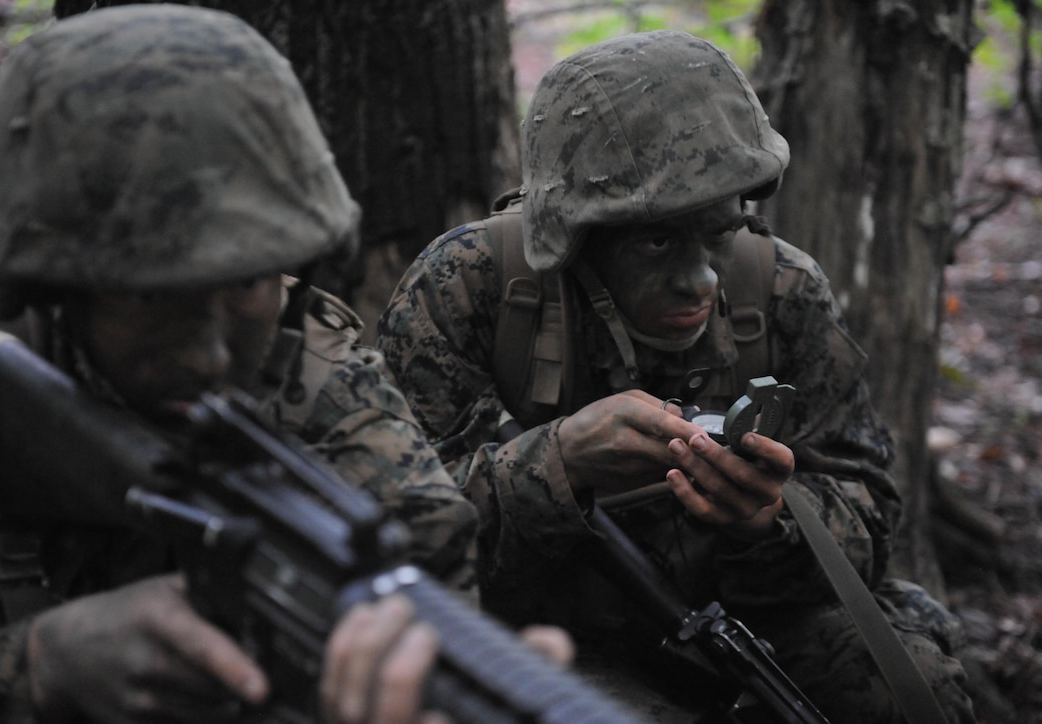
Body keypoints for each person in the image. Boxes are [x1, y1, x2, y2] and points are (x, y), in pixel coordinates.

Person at [377, 30, 977, 723]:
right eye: (658, 241)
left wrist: (773, 519)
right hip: (545, 635)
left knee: (911, 692)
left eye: (719, 232)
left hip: (747, 619)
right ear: (577, 239)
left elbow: (871, 509)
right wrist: (557, 463)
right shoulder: (469, 287)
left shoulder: (780, 289)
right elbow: (399, 540)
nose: (699, 281)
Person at [0, 6, 510, 722]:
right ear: (49, 291)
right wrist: (33, 666)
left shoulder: (329, 396)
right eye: (157, 298)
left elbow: (436, 587)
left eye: (248, 283)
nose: (212, 354)